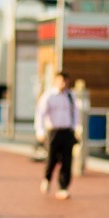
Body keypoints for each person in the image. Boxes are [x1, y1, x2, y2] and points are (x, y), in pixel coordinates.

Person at [34, 71, 80, 200]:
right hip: (53, 131)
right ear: (55, 81)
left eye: (65, 81)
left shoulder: (71, 96)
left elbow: (76, 112)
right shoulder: (49, 96)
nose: (63, 83)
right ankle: (47, 178)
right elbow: (40, 113)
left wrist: (76, 128)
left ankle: (63, 187)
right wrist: (40, 130)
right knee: (51, 158)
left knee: (67, 161)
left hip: (67, 131)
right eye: (61, 80)